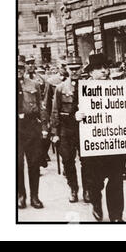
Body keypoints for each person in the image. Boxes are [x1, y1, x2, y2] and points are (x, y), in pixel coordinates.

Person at [77, 52, 126, 222]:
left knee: (115, 180)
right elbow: (68, 115)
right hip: (93, 145)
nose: (104, 71)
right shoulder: (82, 90)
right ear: (91, 72)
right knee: (95, 182)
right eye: (99, 68)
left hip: (115, 143)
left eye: (106, 67)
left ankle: (116, 215)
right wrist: (77, 115)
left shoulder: (119, 88)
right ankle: (96, 204)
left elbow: (125, 111)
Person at [51, 55, 92, 203]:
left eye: (77, 69)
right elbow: (55, 110)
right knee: (68, 161)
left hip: (85, 128)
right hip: (66, 129)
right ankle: (73, 188)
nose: (74, 72)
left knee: (87, 161)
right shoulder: (61, 88)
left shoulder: (89, 86)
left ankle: (87, 189)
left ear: (81, 68)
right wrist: (54, 133)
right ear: (67, 69)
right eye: (71, 69)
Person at [18, 59, 45, 209]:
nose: (18, 70)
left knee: (34, 163)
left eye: (21, 67)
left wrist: (44, 127)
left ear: (25, 68)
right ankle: (21, 195)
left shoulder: (33, 84)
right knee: (17, 164)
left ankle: (35, 196)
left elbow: (40, 106)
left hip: (31, 126)